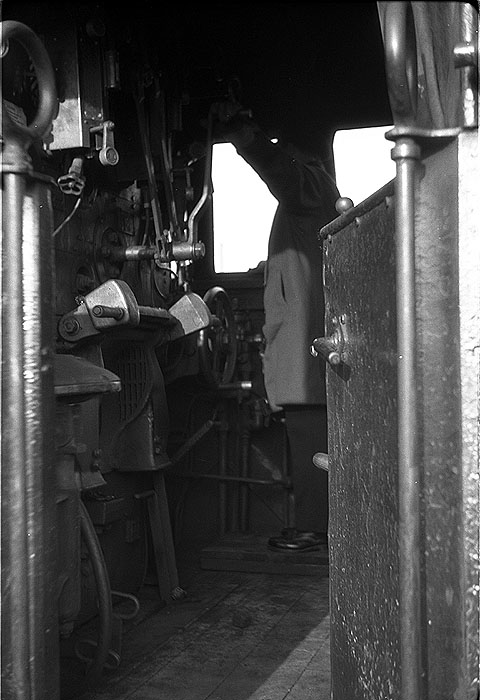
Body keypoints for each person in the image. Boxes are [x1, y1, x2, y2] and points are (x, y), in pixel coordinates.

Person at [212, 101, 340, 551]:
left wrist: (246, 138)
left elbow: (279, 171)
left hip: (302, 346)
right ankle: (312, 524)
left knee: (309, 438)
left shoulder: (308, 183)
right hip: (299, 343)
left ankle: (315, 528)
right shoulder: (316, 192)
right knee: (306, 438)